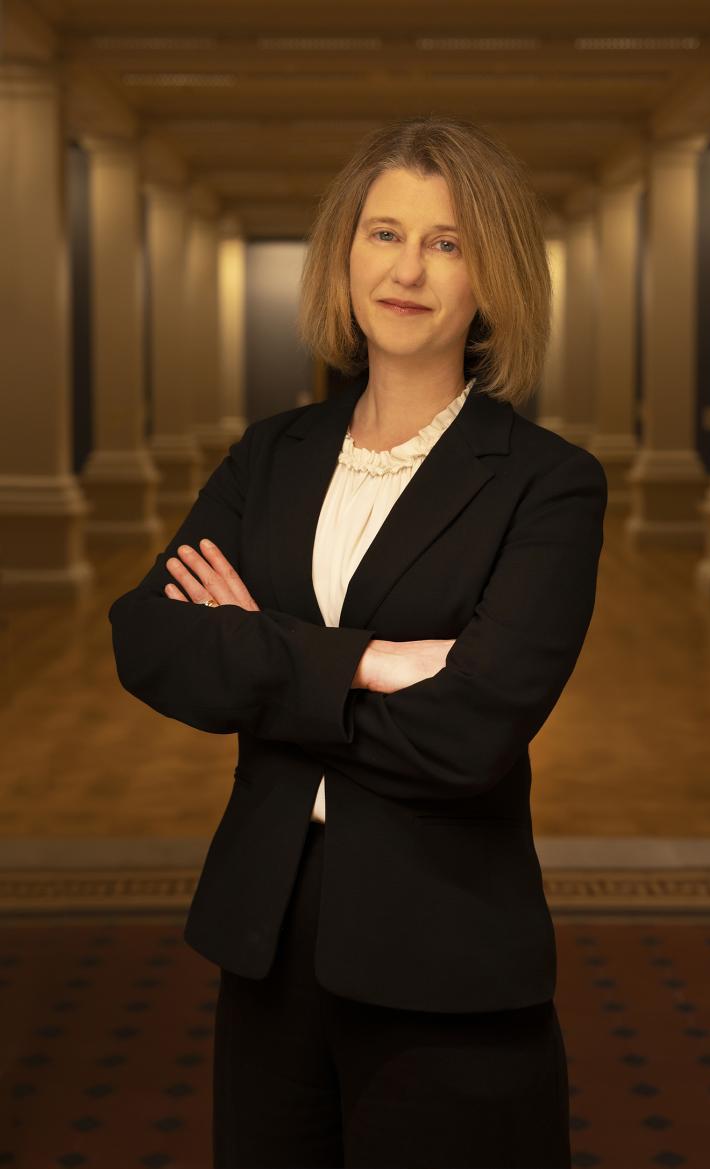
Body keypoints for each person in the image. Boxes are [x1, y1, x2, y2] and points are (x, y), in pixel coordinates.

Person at [109, 115, 607, 1169]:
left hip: (448, 956)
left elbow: (469, 735)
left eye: (448, 242)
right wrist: (369, 661)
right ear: (344, 253)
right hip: (267, 936)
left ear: (493, 278)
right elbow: (148, 638)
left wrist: (260, 651)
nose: (409, 268)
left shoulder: (545, 482)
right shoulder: (272, 455)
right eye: (385, 233)